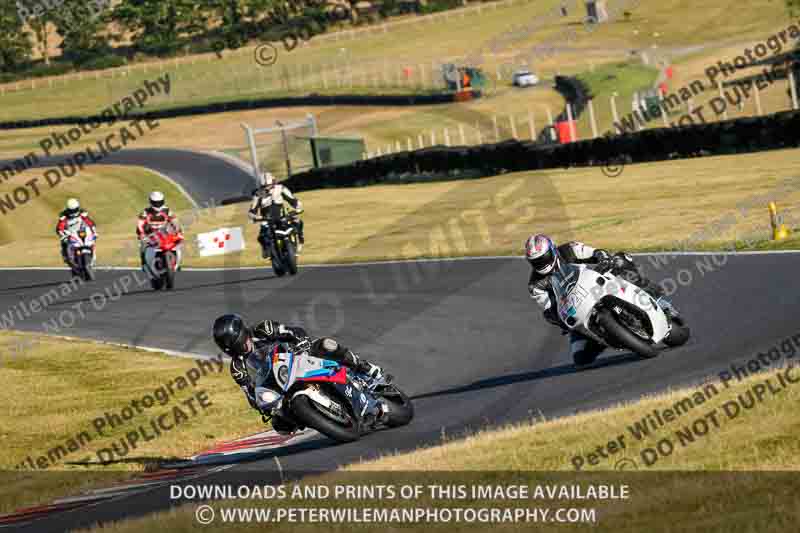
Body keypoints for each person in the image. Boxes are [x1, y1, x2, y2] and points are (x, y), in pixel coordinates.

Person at [212, 314, 386, 434]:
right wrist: (261, 405)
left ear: (243, 332)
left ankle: (365, 368)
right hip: (279, 386)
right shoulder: (237, 367)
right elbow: (250, 394)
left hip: (298, 359)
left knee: (327, 345)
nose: (240, 348)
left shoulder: (264, 330)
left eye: (240, 342)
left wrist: (301, 344)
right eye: (234, 348)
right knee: (280, 425)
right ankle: (325, 417)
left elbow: (295, 332)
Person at [525, 234, 679, 366]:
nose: (541, 264)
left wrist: (603, 258)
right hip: (578, 307)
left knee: (620, 260)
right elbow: (549, 307)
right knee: (580, 358)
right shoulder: (535, 286)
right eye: (536, 262)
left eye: (543, 258)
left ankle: (653, 295)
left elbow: (594, 252)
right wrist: (557, 319)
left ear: (552, 250)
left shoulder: (568, 250)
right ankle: (604, 339)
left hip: (595, 282)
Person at [248, 172, 305, 256]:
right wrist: (255, 217)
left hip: (282, 216)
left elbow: (292, 200)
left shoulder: (281, 188)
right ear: (261, 186)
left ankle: (300, 241)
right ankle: (265, 249)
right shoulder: (258, 194)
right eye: (265, 186)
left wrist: (298, 207)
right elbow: (252, 210)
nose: (268, 188)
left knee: (298, 221)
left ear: (274, 182)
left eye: (270, 185)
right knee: (262, 234)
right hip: (267, 219)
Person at [136, 191, 183, 269]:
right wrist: (141, 233)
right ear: (151, 202)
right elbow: (140, 224)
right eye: (155, 203)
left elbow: (175, 221)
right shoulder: (145, 212)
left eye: (159, 202)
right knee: (142, 245)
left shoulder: (167, 210)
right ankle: (144, 263)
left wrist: (179, 231)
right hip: (150, 234)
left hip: (165, 233)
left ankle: (177, 263)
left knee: (178, 243)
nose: (158, 205)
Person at [56, 198, 98, 265]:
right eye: (71, 210)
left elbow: (90, 222)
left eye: (75, 210)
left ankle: (93, 255)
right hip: (70, 233)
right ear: (68, 209)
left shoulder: (82, 213)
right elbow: (60, 227)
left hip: (81, 231)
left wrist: (94, 231)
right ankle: (66, 256)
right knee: (64, 241)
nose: (73, 212)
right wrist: (62, 233)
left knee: (92, 240)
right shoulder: (64, 216)